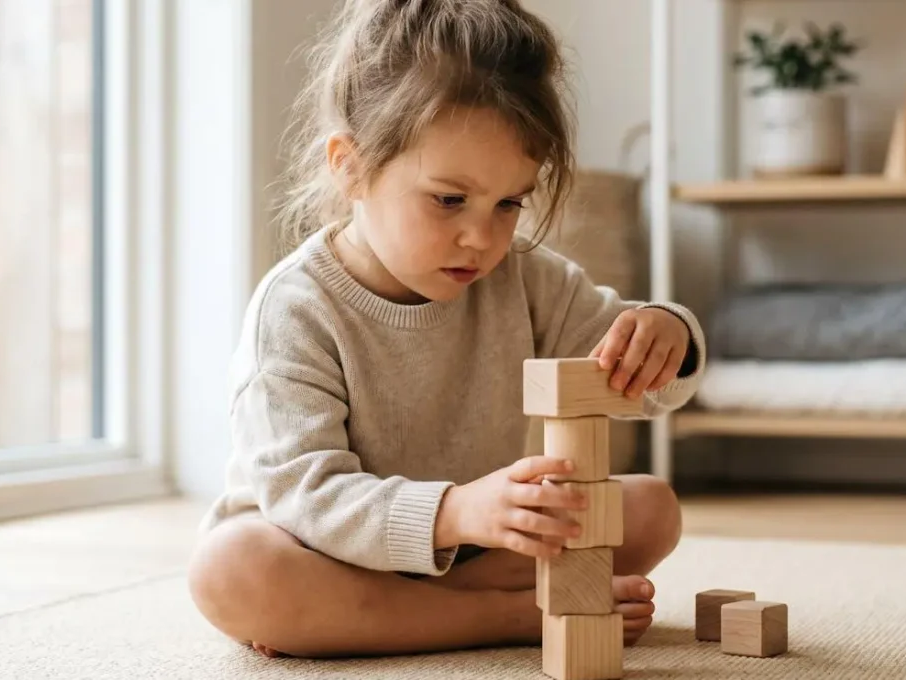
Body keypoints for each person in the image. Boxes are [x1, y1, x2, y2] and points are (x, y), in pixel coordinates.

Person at [186, 0, 707, 660]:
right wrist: (454, 511)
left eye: (509, 203)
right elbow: (304, 495)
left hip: (473, 552)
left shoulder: (522, 277)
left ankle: (437, 611)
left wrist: (665, 336)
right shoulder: (296, 308)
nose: (480, 237)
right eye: (449, 199)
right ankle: (510, 618)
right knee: (231, 568)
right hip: (323, 553)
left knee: (651, 507)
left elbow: (641, 384)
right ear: (350, 166)